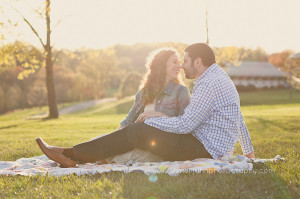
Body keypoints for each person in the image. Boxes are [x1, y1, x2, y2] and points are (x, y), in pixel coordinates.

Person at [36, 43, 255, 168]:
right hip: (207, 146)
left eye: (185, 61)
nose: (182, 67)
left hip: (204, 149)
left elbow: (185, 124)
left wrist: (154, 119)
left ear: (198, 62)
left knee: (139, 132)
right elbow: (238, 116)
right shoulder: (220, 78)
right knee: (136, 132)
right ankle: (72, 153)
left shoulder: (208, 84)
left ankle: (71, 155)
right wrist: (249, 151)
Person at [91, 48, 191, 164]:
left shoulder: (181, 91)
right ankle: (103, 157)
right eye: (174, 62)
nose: (179, 66)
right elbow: (129, 120)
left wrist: (159, 115)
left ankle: (106, 158)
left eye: (179, 63)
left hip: (162, 146)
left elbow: (185, 124)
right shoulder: (144, 92)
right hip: (139, 141)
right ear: (161, 64)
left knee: (131, 156)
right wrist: (112, 141)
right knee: (95, 142)